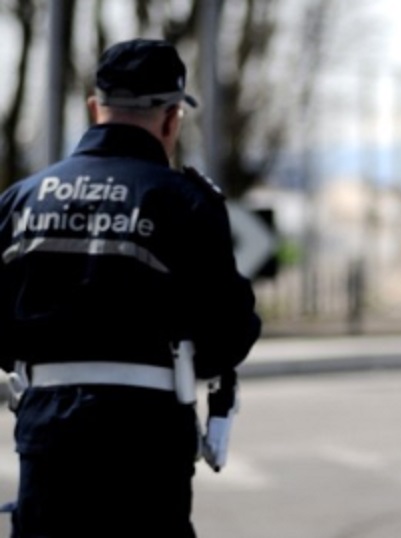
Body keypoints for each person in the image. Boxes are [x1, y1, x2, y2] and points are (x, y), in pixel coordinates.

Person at [0, 38, 261, 537]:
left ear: (94, 108)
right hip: (148, 436)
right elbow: (229, 332)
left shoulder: (23, 198)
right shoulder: (185, 202)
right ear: (171, 119)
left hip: (48, 427)